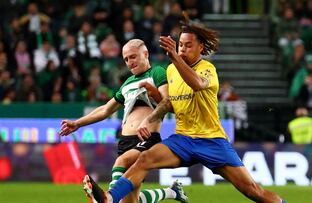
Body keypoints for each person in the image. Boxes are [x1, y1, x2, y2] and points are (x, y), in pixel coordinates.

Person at [86, 14, 285, 203]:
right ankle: (109, 198)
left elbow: (197, 84)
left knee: (253, 192)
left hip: (211, 141)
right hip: (184, 139)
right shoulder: (172, 70)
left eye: (188, 45)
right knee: (145, 158)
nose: (182, 49)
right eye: (180, 45)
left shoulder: (207, 69)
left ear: (201, 47)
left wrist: (174, 56)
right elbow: (173, 104)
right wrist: (155, 98)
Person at [59, 39, 188, 203]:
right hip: (125, 141)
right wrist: (78, 123)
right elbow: (106, 109)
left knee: (122, 162)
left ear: (145, 54)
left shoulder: (157, 73)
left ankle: (108, 198)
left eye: (133, 56)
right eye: (126, 59)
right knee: (129, 200)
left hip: (146, 138)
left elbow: (167, 101)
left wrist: (148, 119)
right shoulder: (127, 83)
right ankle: (172, 192)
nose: (129, 62)